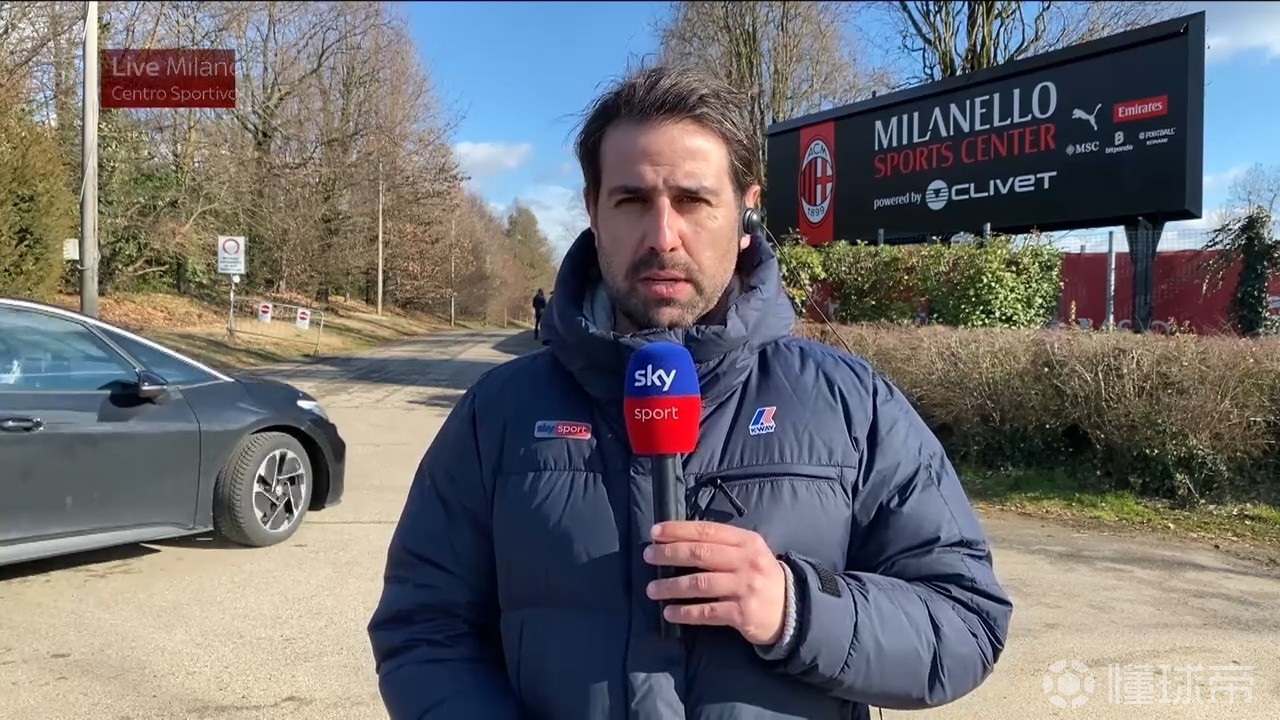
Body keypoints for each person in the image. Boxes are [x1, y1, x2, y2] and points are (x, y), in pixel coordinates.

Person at [367, 64, 1013, 720]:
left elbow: (965, 622)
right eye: (631, 201)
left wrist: (796, 608)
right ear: (593, 211)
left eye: (693, 200)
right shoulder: (498, 414)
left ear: (745, 212)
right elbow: (423, 631)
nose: (663, 236)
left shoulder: (852, 404)